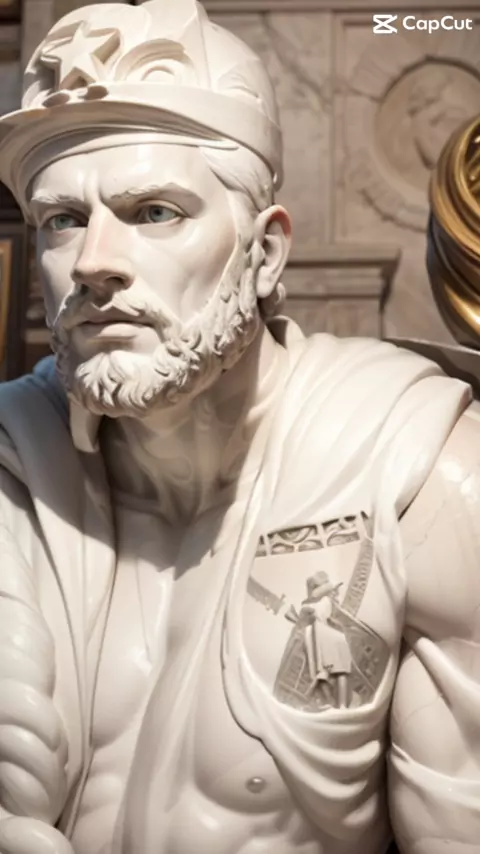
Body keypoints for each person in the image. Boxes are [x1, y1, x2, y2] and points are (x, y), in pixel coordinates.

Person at [0, 2, 479, 853]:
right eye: (61, 220)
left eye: (154, 212)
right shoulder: (14, 468)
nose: (93, 263)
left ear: (265, 254)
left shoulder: (417, 472)